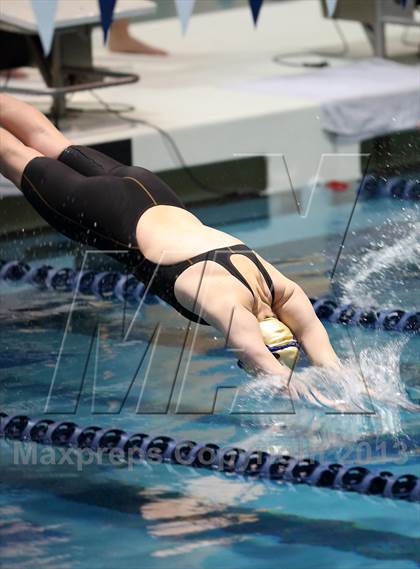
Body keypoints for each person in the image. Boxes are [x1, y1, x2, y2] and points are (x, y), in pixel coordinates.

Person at [0, 94, 340, 377]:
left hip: (149, 189)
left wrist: (343, 382)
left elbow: (315, 337)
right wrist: (292, 386)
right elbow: (256, 354)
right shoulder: (228, 306)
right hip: (109, 213)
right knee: (14, 155)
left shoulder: (281, 289)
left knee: (47, 137)